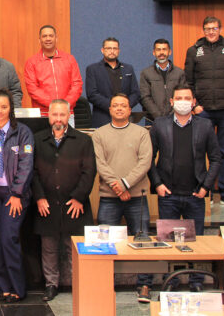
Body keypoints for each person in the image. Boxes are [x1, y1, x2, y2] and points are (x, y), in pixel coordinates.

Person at [148, 86, 221, 291]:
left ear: (193, 101)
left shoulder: (205, 125)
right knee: (168, 242)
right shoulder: (159, 125)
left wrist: (206, 186)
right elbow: (149, 158)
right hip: (168, 194)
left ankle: (196, 282)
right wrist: (157, 184)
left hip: (195, 194)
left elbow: (216, 159)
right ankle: (171, 280)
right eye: (178, 98)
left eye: (186, 98)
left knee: (196, 241)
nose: (182, 101)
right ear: (171, 101)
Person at [32, 99, 96, 302]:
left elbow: (89, 172)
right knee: (48, 247)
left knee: (74, 247)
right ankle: (51, 284)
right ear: (48, 116)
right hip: (47, 203)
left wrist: (78, 198)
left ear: (69, 115)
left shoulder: (83, 140)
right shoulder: (37, 139)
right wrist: (39, 197)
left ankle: (81, 283)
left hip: (75, 204)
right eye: (54, 115)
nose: (58, 119)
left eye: (62, 115)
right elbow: (31, 173)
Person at [92, 95, 153, 303]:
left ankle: (144, 285)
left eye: (123, 106)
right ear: (109, 109)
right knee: (104, 242)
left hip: (138, 196)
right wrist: (118, 187)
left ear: (130, 110)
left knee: (142, 240)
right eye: (115, 105)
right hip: (109, 196)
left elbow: (145, 162)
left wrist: (125, 184)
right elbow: (100, 164)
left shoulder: (142, 132)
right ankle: (102, 282)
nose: (119, 109)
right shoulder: (99, 134)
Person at [184, 16, 224, 205]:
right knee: (200, 153)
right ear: (203, 30)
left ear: (220, 29)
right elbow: (188, 82)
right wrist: (195, 106)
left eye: (214, 28)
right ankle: (204, 192)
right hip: (203, 111)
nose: (211, 31)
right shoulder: (194, 51)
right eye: (208, 28)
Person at [0, 89, 33, 303]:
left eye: (4, 107)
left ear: (11, 108)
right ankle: (3, 285)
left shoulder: (22, 132)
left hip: (14, 194)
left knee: (9, 238)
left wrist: (16, 193)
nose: (0, 111)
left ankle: (17, 287)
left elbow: (26, 164)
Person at [24, 25, 83, 116]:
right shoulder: (31, 62)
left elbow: (77, 84)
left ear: (56, 38)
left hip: (66, 112)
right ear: (39, 40)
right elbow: (32, 89)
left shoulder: (69, 59)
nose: (48, 39)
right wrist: (54, 105)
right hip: (43, 113)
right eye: (44, 36)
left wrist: (64, 104)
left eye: (51, 36)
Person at [85, 37, 140, 128]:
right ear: (102, 50)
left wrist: (124, 107)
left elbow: (136, 93)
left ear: (119, 50)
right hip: (102, 118)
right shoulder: (93, 69)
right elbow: (92, 94)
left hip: (125, 118)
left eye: (115, 48)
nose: (112, 51)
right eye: (108, 48)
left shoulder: (128, 68)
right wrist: (113, 106)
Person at [140, 38, 186, 123]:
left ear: (169, 52)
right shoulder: (146, 73)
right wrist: (158, 116)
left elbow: (182, 97)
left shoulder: (180, 73)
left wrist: (172, 116)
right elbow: (145, 97)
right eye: (158, 50)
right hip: (153, 120)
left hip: (175, 119)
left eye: (164, 49)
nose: (161, 52)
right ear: (154, 53)